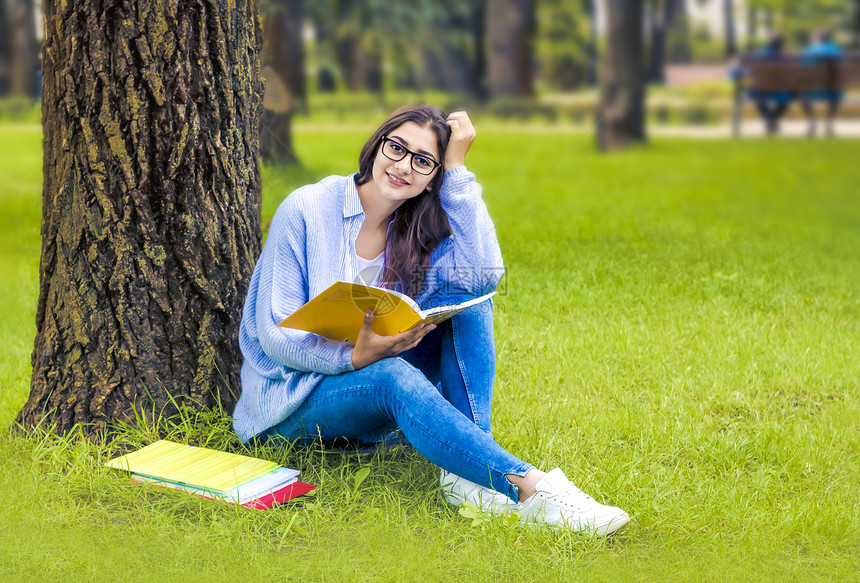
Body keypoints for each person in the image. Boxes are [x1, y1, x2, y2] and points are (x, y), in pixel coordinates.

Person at [232, 105, 630, 535]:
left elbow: (485, 276)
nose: (403, 166)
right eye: (397, 148)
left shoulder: (417, 227)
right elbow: (276, 335)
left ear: (433, 176)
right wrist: (355, 358)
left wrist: (458, 170)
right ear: (377, 144)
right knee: (390, 376)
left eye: (423, 161)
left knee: (472, 304)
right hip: (291, 401)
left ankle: (468, 478)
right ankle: (531, 489)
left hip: (367, 386)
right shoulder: (307, 208)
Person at [748, 33, 794, 136]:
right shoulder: (787, 58)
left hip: (761, 91)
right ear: (782, 44)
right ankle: (774, 118)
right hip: (781, 91)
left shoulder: (758, 56)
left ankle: (769, 118)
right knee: (789, 96)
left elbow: (749, 72)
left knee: (757, 98)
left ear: (768, 43)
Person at [801, 30, 844, 137]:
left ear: (818, 39)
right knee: (836, 93)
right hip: (832, 89)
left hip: (813, 89)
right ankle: (829, 123)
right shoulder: (836, 49)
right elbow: (842, 67)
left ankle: (812, 122)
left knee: (802, 94)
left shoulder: (811, 50)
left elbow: (804, 67)